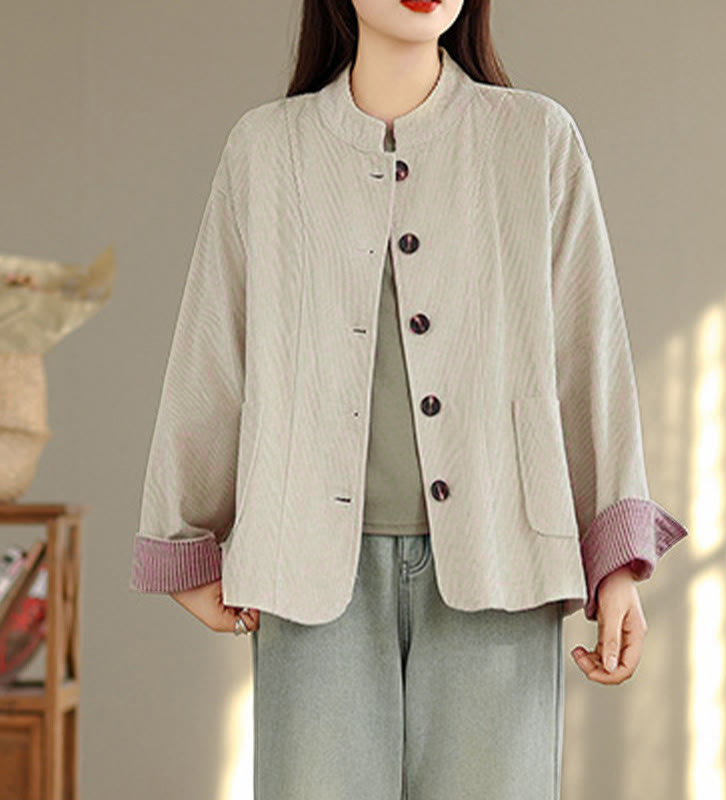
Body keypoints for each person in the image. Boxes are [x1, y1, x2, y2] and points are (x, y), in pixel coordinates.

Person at [129, 1, 690, 797]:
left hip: (502, 562)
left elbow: (586, 352)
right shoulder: (267, 150)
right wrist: (182, 537)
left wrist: (615, 564)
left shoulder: (536, 139)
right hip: (310, 574)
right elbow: (214, 351)